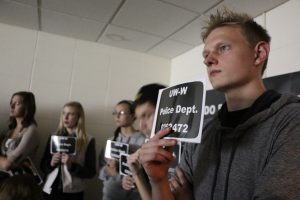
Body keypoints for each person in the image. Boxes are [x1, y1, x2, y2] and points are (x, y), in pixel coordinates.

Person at [139, 8, 300, 200]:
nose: (208, 60)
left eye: (223, 48)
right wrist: (158, 180)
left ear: (259, 53)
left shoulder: (292, 124)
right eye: (205, 54)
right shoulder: (202, 132)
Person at [40, 101, 96, 200]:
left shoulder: (88, 140)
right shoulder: (54, 136)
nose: (65, 117)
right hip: (50, 189)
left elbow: (91, 172)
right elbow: (42, 166)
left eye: (71, 114)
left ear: (79, 117)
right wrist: (51, 163)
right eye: (64, 113)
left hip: (73, 193)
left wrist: (72, 166)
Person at [121, 84, 166, 200]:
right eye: (139, 118)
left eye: (146, 115)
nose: (141, 126)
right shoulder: (149, 149)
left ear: (167, 109)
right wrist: (137, 175)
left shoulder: (191, 149)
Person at [99, 100, 145, 200]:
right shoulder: (111, 141)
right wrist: (108, 170)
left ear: (133, 116)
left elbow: (145, 174)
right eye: (115, 113)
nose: (117, 116)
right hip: (109, 195)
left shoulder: (143, 141)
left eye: (122, 113)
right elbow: (101, 171)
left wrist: (128, 179)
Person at [0, 91, 39, 182]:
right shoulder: (10, 129)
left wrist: (4, 161)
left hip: (17, 183)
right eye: (11, 103)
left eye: (17, 103)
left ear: (27, 107)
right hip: (4, 179)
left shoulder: (31, 130)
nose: (12, 106)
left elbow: (7, 165)